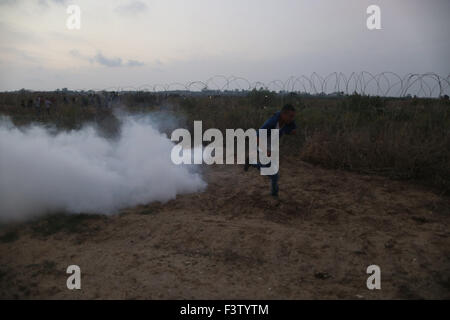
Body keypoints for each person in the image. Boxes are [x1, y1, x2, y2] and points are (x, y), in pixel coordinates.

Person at [244, 103, 297, 197]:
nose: (292, 118)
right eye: (290, 116)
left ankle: (252, 163)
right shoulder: (271, 122)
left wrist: (290, 131)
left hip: (272, 146)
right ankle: (274, 194)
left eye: (293, 116)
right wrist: (265, 150)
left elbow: (292, 129)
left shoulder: (289, 122)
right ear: (283, 114)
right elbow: (257, 137)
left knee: (272, 172)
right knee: (272, 173)